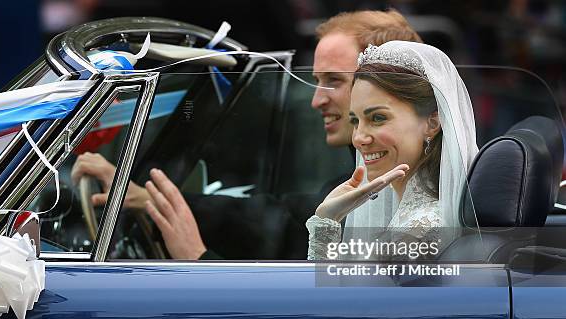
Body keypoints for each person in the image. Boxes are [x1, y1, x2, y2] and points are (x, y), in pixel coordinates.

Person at [72, 10, 423, 259]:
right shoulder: (351, 179)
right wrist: (144, 199)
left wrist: (199, 260)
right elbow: (279, 216)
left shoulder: (411, 200)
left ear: (382, 88)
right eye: (316, 81)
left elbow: (309, 315)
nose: (316, 100)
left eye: (333, 80)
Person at [306, 41, 478, 260]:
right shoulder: (412, 219)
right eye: (355, 121)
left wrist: (325, 225)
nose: (359, 138)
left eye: (378, 118)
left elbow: (329, 294)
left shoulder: (418, 231)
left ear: (432, 123)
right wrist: (328, 216)